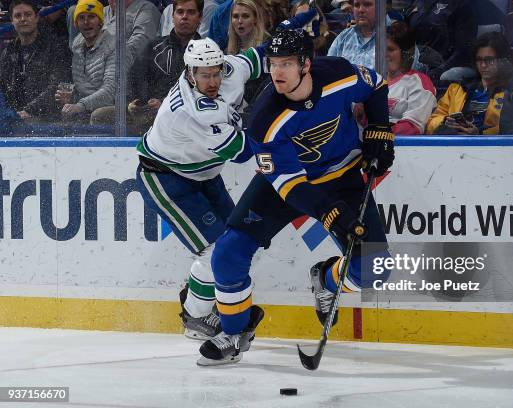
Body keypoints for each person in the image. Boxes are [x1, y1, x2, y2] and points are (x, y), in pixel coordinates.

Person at [197, 29, 394, 366]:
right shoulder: (264, 119)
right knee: (228, 252)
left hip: (344, 178)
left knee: (374, 269)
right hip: (286, 187)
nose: (277, 72)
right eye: (273, 64)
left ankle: (327, 279)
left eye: (287, 63)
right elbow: (290, 186)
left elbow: (375, 85)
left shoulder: (339, 74)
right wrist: (330, 212)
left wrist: (379, 128)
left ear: (306, 64)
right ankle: (235, 331)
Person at [135, 37, 264, 339]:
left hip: (204, 175)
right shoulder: (188, 111)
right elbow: (243, 152)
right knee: (215, 251)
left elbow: (255, 58)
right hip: (167, 179)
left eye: (216, 72)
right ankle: (195, 317)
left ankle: (207, 299)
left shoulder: (226, 72)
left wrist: (293, 29)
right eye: (204, 74)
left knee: (241, 244)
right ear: (190, 73)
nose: (212, 80)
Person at [129, 0, 203, 134]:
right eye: (180, 12)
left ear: (200, 18)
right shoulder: (154, 46)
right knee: (102, 115)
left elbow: (205, 92)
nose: (184, 16)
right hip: (149, 111)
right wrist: (137, 102)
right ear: (173, 17)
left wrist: (165, 104)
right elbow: (136, 77)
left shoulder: (208, 52)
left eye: (191, 12)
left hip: (188, 116)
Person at [427, 31, 513, 135]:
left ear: (502, 60)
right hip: (453, 144)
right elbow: (432, 122)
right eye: (479, 60)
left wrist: (480, 134)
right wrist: (445, 121)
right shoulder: (457, 89)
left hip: (491, 148)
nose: (483, 65)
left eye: (489, 60)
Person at [0, 0, 70, 121]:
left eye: (28, 14)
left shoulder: (55, 47)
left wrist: (29, 110)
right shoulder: (8, 52)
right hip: (15, 119)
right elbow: (3, 88)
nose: (23, 19)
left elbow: (57, 85)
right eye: (18, 16)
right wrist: (12, 114)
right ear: (12, 21)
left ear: (37, 17)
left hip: (47, 118)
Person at [56, 0, 116, 123]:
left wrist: (80, 105)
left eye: (91, 17)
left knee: (97, 115)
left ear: (100, 21)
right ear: (76, 24)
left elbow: (111, 91)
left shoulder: (115, 46)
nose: (86, 22)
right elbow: (82, 89)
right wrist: (69, 99)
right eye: (81, 18)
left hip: (117, 107)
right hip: (85, 108)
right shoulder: (77, 48)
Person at [386, 21, 436, 135]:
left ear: (407, 53)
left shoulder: (419, 82)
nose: (384, 53)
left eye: (390, 49)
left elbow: (413, 128)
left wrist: (375, 132)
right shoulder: (372, 80)